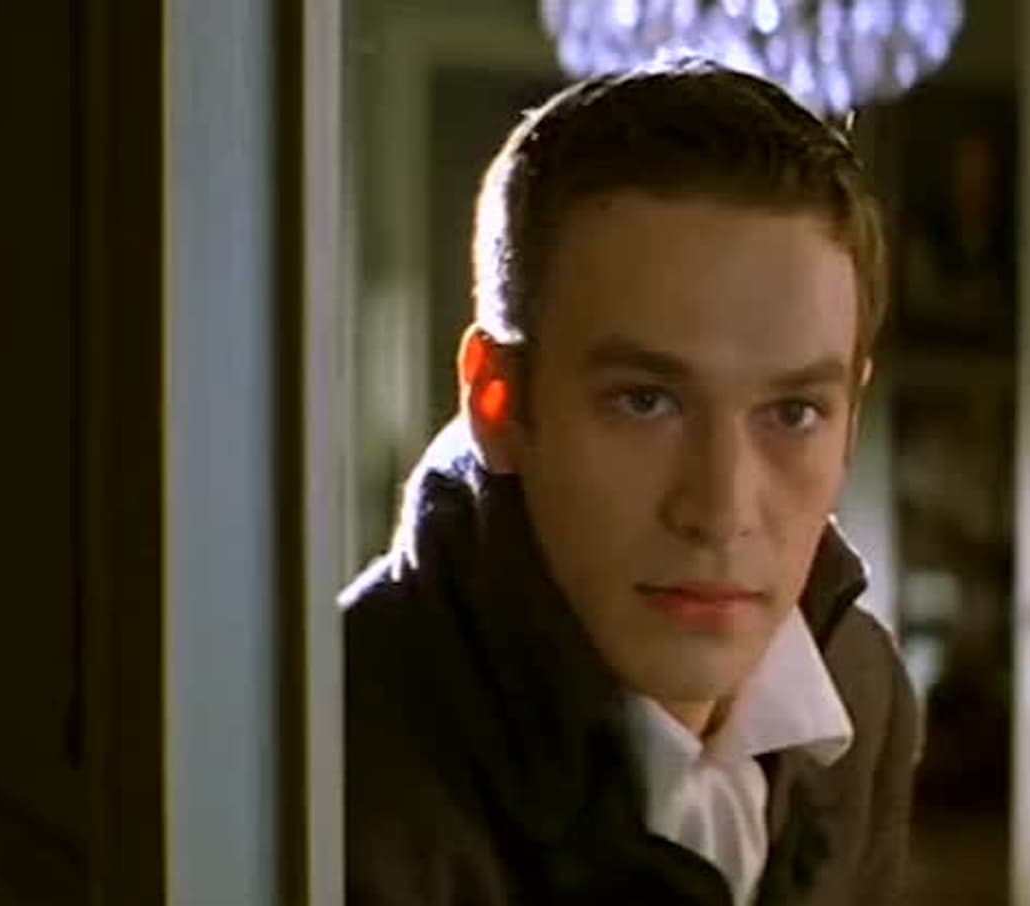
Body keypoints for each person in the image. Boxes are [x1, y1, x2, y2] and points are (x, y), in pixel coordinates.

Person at [342, 59, 920, 906]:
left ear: (851, 420)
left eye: (793, 412)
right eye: (645, 402)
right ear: (498, 403)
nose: (718, 511)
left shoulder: (860, 692)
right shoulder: (328, 751)